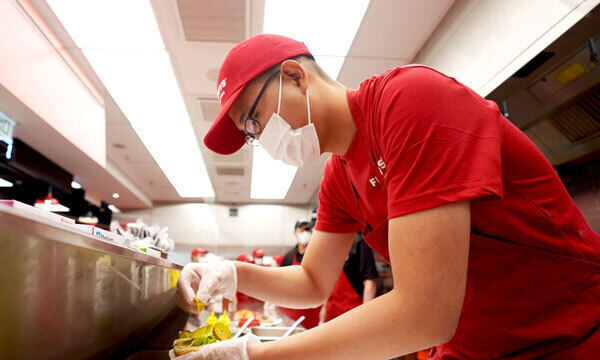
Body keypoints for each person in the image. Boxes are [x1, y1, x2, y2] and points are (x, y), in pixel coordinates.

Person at [175, 34, 600, 359]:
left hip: (570, 332)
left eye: (254, 120)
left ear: (294, 76)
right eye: (251, 135)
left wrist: (257, 353)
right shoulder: (339, 177)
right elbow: (312, 281)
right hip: (479, 344)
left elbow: (425, 311)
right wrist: (230, 273)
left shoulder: (408, 101)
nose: (260, 138)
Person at [319, 232, 378, 324]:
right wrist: (321, 321)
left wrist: (365, 319)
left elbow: (370, 283)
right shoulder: (328, 243)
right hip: (331, 316)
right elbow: (327, 287)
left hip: (353, 315)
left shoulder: (359, 241)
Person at [277, 221, 322, 329]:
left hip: (314, 313)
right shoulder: (288, 257)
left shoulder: (318, 254)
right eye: (301, 230)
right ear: (294, 233)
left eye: (307, 230)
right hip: (292, 316)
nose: (305, 233)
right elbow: (281, 285)